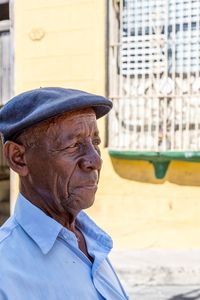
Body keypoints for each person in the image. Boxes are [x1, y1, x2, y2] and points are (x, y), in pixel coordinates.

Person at [0, 87, 129, 300]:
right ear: (18, 158)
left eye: (95, 143)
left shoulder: (91, 241)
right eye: (73, 145)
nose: (95, 161)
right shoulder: (6, 270)